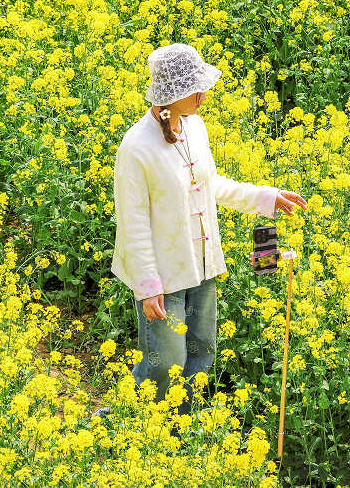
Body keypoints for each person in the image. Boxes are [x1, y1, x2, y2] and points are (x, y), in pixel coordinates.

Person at [94, 43, 307, 422]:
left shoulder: (195, 127)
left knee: (201, 350)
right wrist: (147, 286)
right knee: (165, 361)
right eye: (196, 89)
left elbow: (211, 185)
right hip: (163, 274)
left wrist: (265, 197)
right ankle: (128, 422)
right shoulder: (136, 148)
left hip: (202, 265)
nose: (203, 95)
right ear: (173, 94)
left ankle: (182, 427)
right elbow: (133, 221)